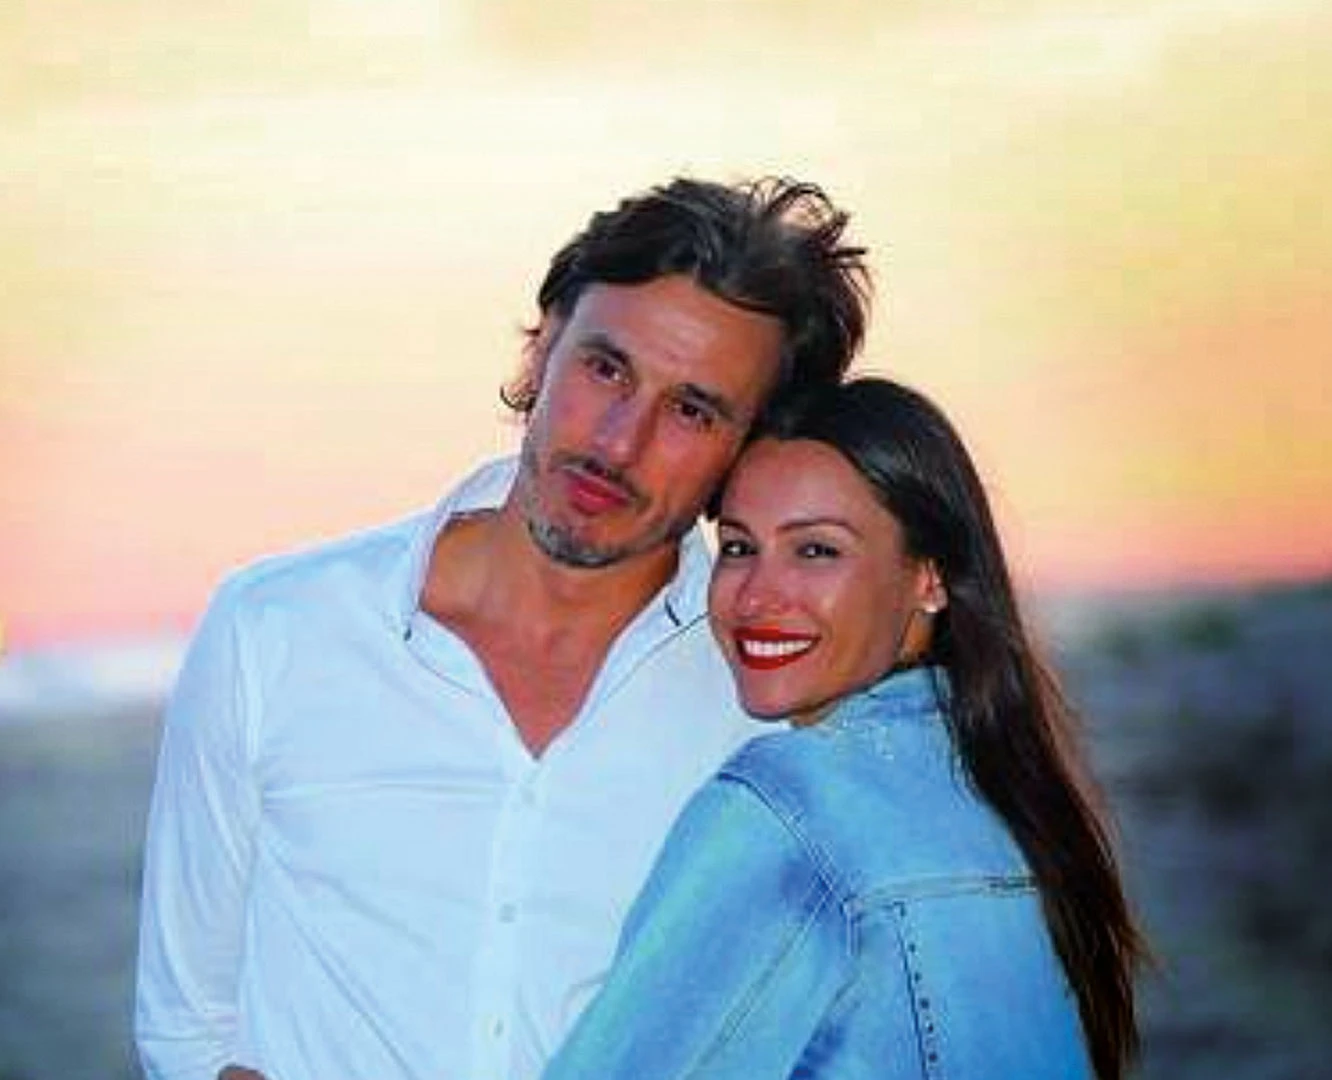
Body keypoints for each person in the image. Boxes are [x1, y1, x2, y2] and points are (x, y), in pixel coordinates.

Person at [134, 177, 871, 1080]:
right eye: (606, 368)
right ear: (541, 350)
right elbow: (188, 1029)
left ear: (750, 451)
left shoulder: (767, 712)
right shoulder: (277, 631)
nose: (619, 442)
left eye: (691, 410)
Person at [542, 377, 1147, 1079]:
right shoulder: (1006, 802)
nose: (756, 595)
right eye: (737, 547)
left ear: (930, 576)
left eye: (816, 551)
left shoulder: (787, 809)